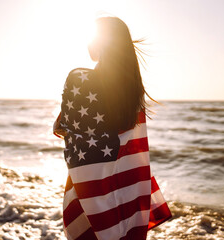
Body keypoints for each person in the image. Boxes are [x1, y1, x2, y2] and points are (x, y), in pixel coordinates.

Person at [54, 16, 171, 240]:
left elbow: (66, 127)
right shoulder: (134, 89)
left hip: (92, 185)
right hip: (128, 189)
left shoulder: (80, 79)